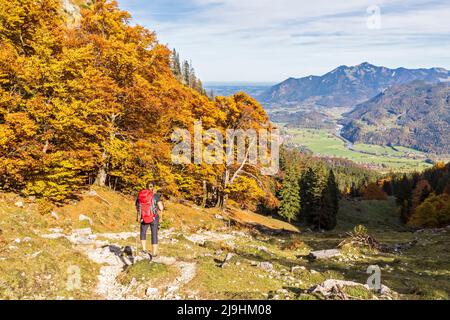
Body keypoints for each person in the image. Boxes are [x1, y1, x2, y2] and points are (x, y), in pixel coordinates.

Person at [135, 182, 164, 258]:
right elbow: (161, 208)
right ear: (153, 187)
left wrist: (139, 216)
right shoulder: (156, 196)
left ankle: (144, 250)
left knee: (143, 232)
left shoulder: (141, 195)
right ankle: (154, 253)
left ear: (146, 187)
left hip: (143, 217)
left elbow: (137, 206)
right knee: (154, 234)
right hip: (154, 217)